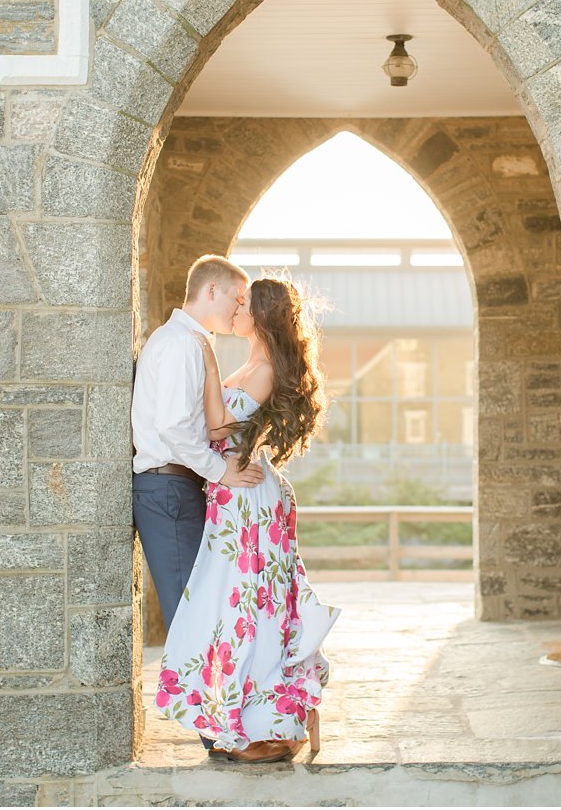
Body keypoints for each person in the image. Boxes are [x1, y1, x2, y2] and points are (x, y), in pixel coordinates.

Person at [154, 277, 339, 761]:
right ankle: (274, 717)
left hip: (249, 496)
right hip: (237, 492)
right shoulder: (254, 363)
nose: (235, 309)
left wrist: (208, 361)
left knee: (254, 608)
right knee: (242, 607)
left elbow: (218, 426)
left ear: (259, 314)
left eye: (243, 303)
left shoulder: (263, 368)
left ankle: (277, 721)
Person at [132, 255, 266, 750]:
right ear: (211, 292)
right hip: (167, 489)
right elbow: (172, 428)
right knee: (191, 613)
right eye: (235, 297)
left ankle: (223, 727)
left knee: (202, 607)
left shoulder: (190, 343)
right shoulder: (182, 345)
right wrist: (222, 471)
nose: (237, 309)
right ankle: (219, 737)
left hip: (177, 488)